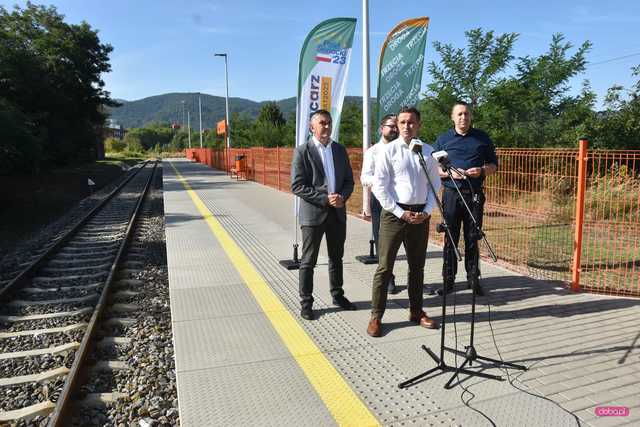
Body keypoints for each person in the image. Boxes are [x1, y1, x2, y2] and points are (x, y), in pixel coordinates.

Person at [367, 106, 441, 337]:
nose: (407, 126)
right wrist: (400, 212)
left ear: (419, 125)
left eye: (411, 122)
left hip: (420, 215)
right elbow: (379, 187)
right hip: (394, 215)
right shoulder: (388, 152)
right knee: (384, 267)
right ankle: (376, 316)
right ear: (397, 125)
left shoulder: (427, 152)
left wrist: (427, 211)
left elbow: (434, 185)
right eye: (402, 122)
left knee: (417, 267)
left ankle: (416, 311)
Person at [291, 109, 356, 320]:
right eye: (322, 123)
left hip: (337, 213)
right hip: (313, 214)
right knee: (308, 260)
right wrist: (324, 199)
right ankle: (306, 302)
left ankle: (338, 295)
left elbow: (349, 181)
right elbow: (297, 186)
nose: (326, 126)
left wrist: (342, 198)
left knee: (336, 257)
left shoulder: (339, 150)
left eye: (329, 123)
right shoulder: (303, 151)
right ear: (312, 127)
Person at [434, 101, 498, 297]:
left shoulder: (482, 138)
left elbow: (494, 165)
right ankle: (448, 280)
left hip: (474, 195)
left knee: (473, 237)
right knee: (450, 238)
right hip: (452, 194)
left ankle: (473, 279)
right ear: (453, 118)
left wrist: (481, 170)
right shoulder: (443, 139)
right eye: (459, 114)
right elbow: (433, 169)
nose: (463, 117)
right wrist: (450, 173)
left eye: (467, 114)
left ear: (471, 117)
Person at [360, 114, 400, 294]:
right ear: (381, 128)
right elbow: (364, 178)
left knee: (406, 241)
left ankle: (415, 280)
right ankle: (388, 278)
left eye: (396, 126)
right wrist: (381, 182)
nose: (394, 129)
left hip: (402, 201)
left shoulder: (403, 149)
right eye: (390, 126)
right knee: (383, 244)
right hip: (381, 201)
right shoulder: (373, 152)